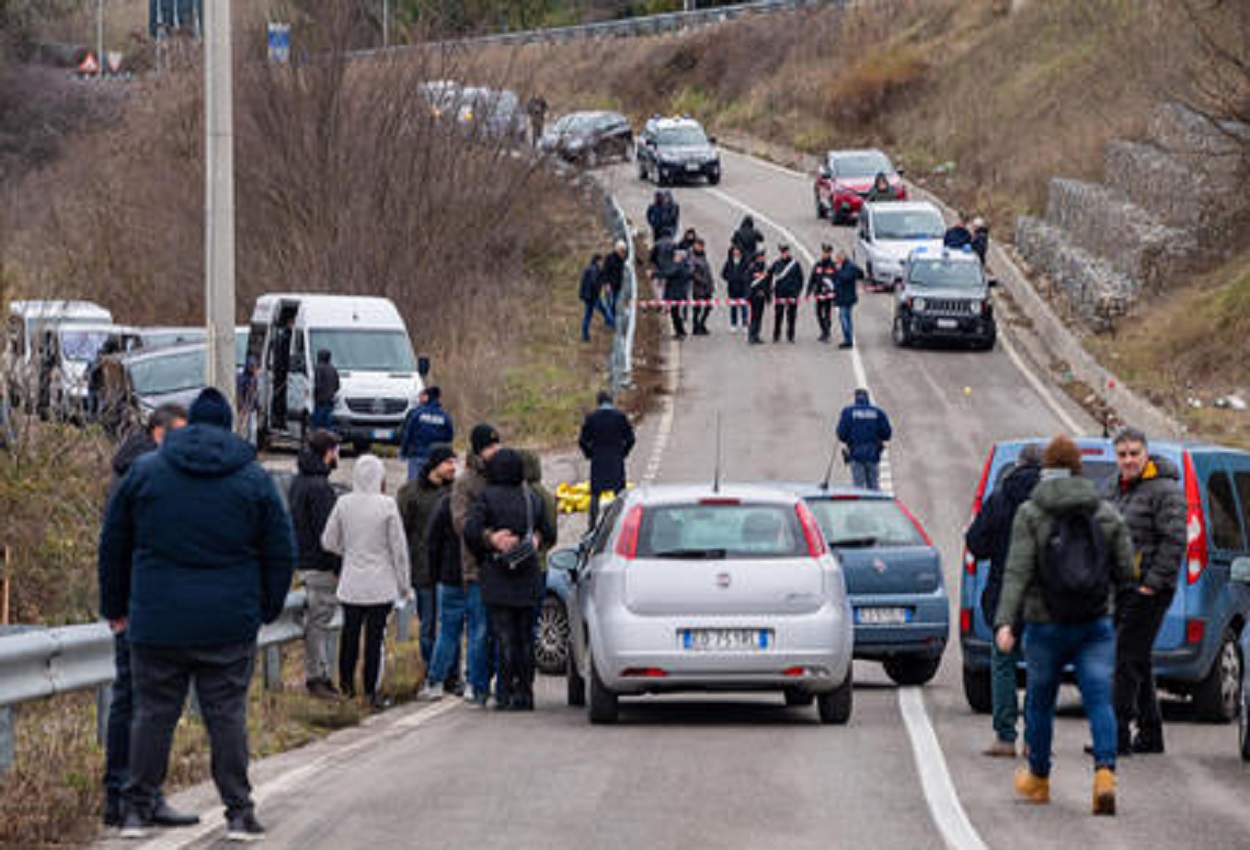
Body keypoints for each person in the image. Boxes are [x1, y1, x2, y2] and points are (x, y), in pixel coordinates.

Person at [98, 388, 295, 841]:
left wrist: (115, 606)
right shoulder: (253, 479)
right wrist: (266, 607)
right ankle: (239, 813)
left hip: (157, 618)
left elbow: (114, 543)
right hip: (228, 621)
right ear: (228, 426)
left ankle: (136, 808)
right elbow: (280, 551)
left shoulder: (146, 473)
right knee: (226, 715)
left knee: (153, 714)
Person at [994, 434, 1134, 815]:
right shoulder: (1105, 513)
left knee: (1039, 702)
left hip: (1044, 624)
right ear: (1078, 469)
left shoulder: (1031, 512)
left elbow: (1017, 571)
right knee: (1098, 699)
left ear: (1046, 469)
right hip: (1094, 623)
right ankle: (1104, 774)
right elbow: (1126, 571)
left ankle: (1039, 779)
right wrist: (1117, 614)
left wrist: (1006, 622)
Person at [99, 403, 194, 831]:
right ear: (159, 433)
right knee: (141, 704)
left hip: (153, 603)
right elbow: (115, 547)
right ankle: (131, 795)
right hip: (143, 605)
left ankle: (136, 794)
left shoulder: (141, 472)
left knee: (145, 703)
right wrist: (116, 607)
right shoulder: (139, 478)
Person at [1107, 426, 1186, 755]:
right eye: (1122, 454)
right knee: (1138, 660)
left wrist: (1150, 584)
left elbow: (1175, 540)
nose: (1128, 460)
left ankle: (1117, 733)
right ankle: (1151, 734)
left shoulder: (1165, 490)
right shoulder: (1116, 487)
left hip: (1150, 590)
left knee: (1124, 658)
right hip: (1121, 587)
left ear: (1146, 453)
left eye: (1134, 454)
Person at [964, 443, 1043, 758]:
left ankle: (1006, 736)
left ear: (1019, 464)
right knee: (1039, 668)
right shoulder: (1050, 501)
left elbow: (976, 544)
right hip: (1043, 597)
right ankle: (1035, 740)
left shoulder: (1000, 497)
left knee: (1003, 665)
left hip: (1005, 594)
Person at [464, 448, 557, 711]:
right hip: (527, 575)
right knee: (526, 637)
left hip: (497, 576)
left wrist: (490, 539)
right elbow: (549, 532)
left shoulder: (486, 497)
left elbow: (470, 531)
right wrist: (536, 540)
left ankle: (504, 693)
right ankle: (526, 693)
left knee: (503, 636)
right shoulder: (531, 498)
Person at [321, 454, 412, 710]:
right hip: (380, 583)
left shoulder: (343, 503)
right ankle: (371, 692)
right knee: (374, 640)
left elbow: (328, 541)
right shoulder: (387, 505)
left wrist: (348, 551)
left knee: (349, 635)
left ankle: (347, 689)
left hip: (351, 582)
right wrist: (404, 584)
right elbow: (399, 550)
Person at [451, 423, 505, 707]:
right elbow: (460, 522)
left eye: (498, 446)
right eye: (490, 447)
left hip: (502, 566)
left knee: (498, 629)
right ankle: (476, 682)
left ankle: (494, 680)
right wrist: (488, 537)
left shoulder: (503, 476)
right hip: (475, 566)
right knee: (479, 629)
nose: (495, 452)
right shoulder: (465, 483)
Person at [289, 429, 343, 701]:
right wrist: (339, 565)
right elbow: (329, 535)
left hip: (304, 559)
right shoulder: (320, 488)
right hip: (320, 565)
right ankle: (317, 678)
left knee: (317, 621)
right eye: (336, 451)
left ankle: (320, 675)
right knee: (319, 622)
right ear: (328, 452)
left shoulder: (300, 481)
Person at [397, 443, 457, 684]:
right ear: (435, 466)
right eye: (449, 462)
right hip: (422, 571)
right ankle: (434, 675)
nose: (454, 467)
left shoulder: (455, 492)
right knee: (428, 627)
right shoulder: (410, 493)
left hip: (448, 571)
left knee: (450, 627)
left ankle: (451, 676)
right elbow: (400, 532)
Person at [578, 390, 636, 529]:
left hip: (598, 460)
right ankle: (621, 522)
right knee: (619, 493)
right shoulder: (620, 417)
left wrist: (589, 454)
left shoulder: (592, 418)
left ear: (598, 402)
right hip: (616, 459)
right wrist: (623, 453)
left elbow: (582, 441)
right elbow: (631, 439)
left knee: (595, 494)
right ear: (611, 401)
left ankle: (591, 526)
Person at [837, 388, 892, 490]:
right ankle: (876, 505)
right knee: (874, 487)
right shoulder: (878, 412)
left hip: (856, 455)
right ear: (868, 398)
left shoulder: (848, 412)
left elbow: (841, 435)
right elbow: (887, 434)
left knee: (858, 488)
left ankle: (860, 505)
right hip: (873, 455)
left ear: (855, 398)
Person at [398, 386, 454, 481]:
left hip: (417, 455)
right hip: (435, 458)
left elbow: (408, 434)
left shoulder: (417, 414)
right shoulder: (445, 416)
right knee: (433, 485)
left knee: (414, 485)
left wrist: (403, 452)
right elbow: (449, 437)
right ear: (438, 398)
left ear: (427, 397)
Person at [770, 243, 804, 344]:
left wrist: (797, 292)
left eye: (786, 252)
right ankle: (776, 335)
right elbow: (770, 276)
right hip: (780, 294)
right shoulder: (776, 263)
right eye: (783, 252)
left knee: (792, 317)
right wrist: (772, 290)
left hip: (792, 294)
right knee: (778, 316)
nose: (784, 254)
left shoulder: (795, 264)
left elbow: (800, 279)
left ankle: (791, 336)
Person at [832, 251, 864, 349]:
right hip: (843, 297)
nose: (836, 261)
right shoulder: (847, 266)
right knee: (846, 318)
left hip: (846, 297)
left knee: (844, 318)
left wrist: (838, 271)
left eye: (838, 259)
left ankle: (848, 340)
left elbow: (845, 277)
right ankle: (848, 339)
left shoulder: (849, 267)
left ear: (842, 258)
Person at [579, 253, 614, 342]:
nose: (601, 263)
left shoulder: (591, 269)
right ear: (597, 261)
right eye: (600, 261)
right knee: (590, 315)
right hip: (592, 297)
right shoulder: (594, 270)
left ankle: (611, 323)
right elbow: (594, 283)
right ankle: (585, 336)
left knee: (601, 310)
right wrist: (601, 284)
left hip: (589, 296)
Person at [807, 243, 838, 343]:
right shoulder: (818, 265)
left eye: (827, 253)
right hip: (819, 294)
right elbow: (812, 279)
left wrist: (836, 294)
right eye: (824, 252)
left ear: (830, 254)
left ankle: (827, 332)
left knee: (827, 314)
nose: (825, 255)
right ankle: (823, 330)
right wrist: (808, 291)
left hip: (828, 295)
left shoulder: (833, 266)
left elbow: (837, 280)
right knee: (818, 313)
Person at [661, 246, 692, 340]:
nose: (674, 257)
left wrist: (656, 273)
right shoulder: (684, 266)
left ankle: (680, 332)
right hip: (678, 293)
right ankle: (680, 331)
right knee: (675, 314)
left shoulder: (679, 266)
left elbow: (669, 273)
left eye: (676, 256)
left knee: (676, 314)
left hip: (677, 294)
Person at [721, 244, 750, 333]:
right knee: (733, 307)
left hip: (743, 287)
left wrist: (744, 279)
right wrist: (730, 278)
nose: (736, 252)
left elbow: (749, 273)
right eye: (734, 250)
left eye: (738, 251)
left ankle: (745, 324)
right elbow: (723, 274)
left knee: (743, 307)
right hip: (732, 287)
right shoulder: (729, 262)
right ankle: (733, 324)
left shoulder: (745, 262)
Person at [689, 237, 715, 336]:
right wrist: (701, 280)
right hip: (698, 287)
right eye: (698, 245)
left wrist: (711, 284)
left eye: (702, 246)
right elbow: (692, 272)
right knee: (697, 308)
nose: (700, 247)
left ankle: (702, 324)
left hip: (707, 287)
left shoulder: (703, 256)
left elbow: (708, 271)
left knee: (708, 307)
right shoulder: (692, 257)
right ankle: (696, 327)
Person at [746, 248, 771, 345]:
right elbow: (748, 282)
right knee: (753, 317)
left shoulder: (765, 269)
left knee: (759, 317)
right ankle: (751, 335)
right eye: (760, 257)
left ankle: (756, 335)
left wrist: (767, 295)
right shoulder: (752, 268)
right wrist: (750, 294)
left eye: (763, 257)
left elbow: (768, 283)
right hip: (754, 296)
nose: (762, 259)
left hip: (762, 296)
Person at [271, 317, 293, 428]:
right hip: (282, 370)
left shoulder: (282, 336)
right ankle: (278, 419)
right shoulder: (286, 338)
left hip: (280, 370)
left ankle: (278, 419)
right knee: (280, 396)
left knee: (279, 396)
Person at [311, 349, 339, 431]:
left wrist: (315, 395)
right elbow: (337, 385)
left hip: (320, 400)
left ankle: (318, 439)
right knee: (328, 423)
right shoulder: (333, 369)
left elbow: (318, 384)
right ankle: (328, 439)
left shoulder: (319, 368)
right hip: (330, 400)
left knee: (318, 423)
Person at [600, 239, 628, 321]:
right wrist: (606, 283)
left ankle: (611, 319)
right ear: (618, 249)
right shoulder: (610, 258)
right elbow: (605, 271)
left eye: (624, 251)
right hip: (610, 285)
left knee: (615, 303)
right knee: (610, 303)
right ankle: (610, 320)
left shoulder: (622, 260)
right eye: (622, 251)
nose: (623, 253)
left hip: (618, 285)